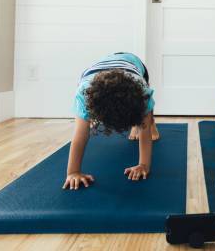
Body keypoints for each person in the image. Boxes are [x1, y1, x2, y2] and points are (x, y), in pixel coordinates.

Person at [63, 52, 158, 190]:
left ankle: (152, 124)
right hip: (94, 74)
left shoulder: (142, 92)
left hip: (134, 63)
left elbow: (144, 128)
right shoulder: (84, 96)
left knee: (146, 119)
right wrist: (73, 172)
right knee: (83, 125)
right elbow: (80, 135)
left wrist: (143, 165)